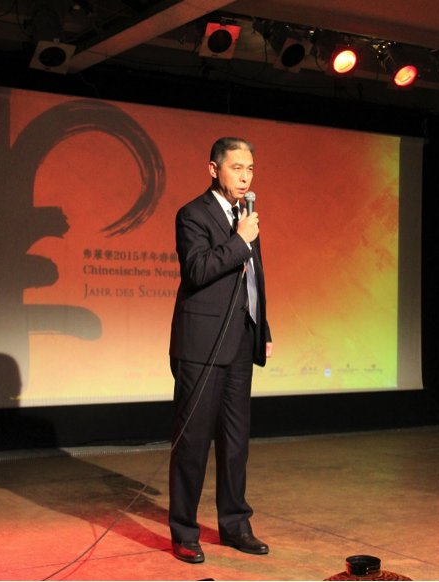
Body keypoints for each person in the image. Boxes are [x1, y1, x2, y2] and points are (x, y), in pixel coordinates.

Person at [167, 137, 273, 564]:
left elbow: (253, 278)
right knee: (193, 442)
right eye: (236, 168)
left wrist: (262, 326)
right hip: (201, 345)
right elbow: (196, 270)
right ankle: (184, 531)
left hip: (240, 342)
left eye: (250, 168)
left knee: (235, 441)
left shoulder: (246, 216)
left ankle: (235, 525)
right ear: (214, 169)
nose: (245, 177)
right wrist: (241, 240)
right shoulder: (193, 214)